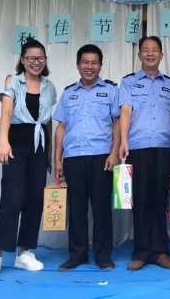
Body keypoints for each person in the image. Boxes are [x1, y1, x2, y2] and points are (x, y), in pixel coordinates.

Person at [0, 37, 57, 279]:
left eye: (40, 58)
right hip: (16, 146)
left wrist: (50, 154)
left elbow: (48, 121)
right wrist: (3, 141)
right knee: (12, 199)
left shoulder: (50, 87)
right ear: (22, 60)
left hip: (39, 148)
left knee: (35, 200)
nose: (36, 62)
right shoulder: (12, 81)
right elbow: (6, 112)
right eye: (31, 58)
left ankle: (24, 252)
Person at [53, 44, 120, 272]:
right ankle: (77, 255)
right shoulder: (68, 93)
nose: (89, 67)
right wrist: (57, 159)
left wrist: (114, 153)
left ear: (100, 66)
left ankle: (103, 256)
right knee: (77, 209)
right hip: (73, 157)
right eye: (85, 62)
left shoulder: (111, 90)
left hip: (101, 157)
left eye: (94, 63)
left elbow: (117, 123)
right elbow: (61, 127)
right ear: (78, 65)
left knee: (101, 209)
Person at [119, 36, 170, 271]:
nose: (150, 53)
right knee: (141, 201)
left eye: (155, 50)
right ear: (139, 55)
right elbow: (125, 111)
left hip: (163, 149)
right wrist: (124, 141)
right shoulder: (129, 82)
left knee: (160, 200)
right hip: (138, 148)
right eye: (146, 50)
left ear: (162, 55)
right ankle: (142, 252)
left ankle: (161, 251)